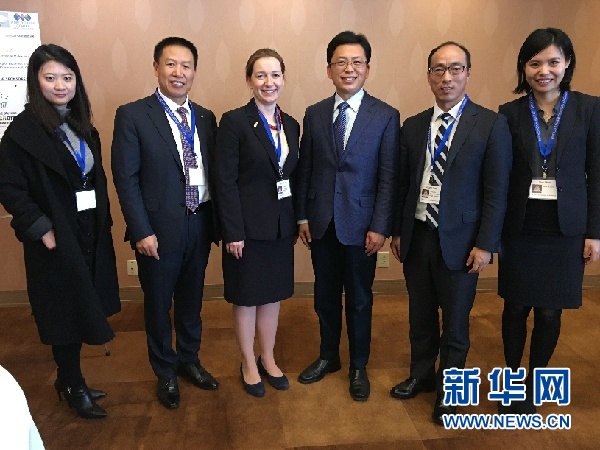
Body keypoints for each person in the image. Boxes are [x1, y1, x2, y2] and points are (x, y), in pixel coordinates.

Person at [389, 41, 512, 425]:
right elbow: (403, 185)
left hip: (462, 241)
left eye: (455, 68)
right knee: (420, 315)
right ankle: (422, 374)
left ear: (468, 74)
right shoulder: (413, 126)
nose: (447, 77)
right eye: (439, 69)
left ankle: (451, 391)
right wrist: (398, 231)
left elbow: (496, 191)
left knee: (456, 323)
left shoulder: (490, 124)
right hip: (418, 235)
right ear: (429, 76)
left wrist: (486, 244)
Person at [0, 44, 121, 419]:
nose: (60, 85)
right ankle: (72, 384)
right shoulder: (22, 133)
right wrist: (41, 228)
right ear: (35, 81)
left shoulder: (83, 126)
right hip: (54, 238)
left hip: (87, 231)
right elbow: (9, 187)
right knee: (63, 314)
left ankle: (69, 379)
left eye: (67, 77)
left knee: (83, 305)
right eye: (50, 77)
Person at [111, 37, 219, 410]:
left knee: (192, 300)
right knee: (158, 305)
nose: (178, 72)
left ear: (194, 71)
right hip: (157, 230)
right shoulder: (133, 115)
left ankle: (189, 359)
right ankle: (165, 372)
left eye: (186, 65)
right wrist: (141, 230)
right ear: (156, 67)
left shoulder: (205, 117)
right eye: (171, 64)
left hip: (199, 222)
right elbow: (125, 178)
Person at [498, 28, 600, 414]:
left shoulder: (589, 109)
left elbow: (597, 174)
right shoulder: (508, 113)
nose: (544, 71)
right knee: (515, 307)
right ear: (523, 68)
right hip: (521, 226)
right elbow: (500, 176)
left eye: (553, 62)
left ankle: (535, 380)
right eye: (535, 63)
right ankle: (512, 380)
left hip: (565, 229)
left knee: (549, 310)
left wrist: (595, 232)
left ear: (567, 63)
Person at [295, 31, 400, 402]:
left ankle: (358, 365)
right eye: (341, 62)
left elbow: (389, 176)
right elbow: (306, 169)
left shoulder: (385, 116)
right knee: (324, 296)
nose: (349, 68)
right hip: (322, 222)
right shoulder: (315, 113)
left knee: (358, 299)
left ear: (367, 69)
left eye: (357, 62)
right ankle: (328, 356)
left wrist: (381, 226)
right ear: (329, 69)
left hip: (362, 226)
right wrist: (302, 217)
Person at [213, 49, 299, 398]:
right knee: (247, 298)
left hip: (279, 227)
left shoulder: (291, 124)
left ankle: (268, 357)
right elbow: (225, 181)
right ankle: (248, 362)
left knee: (272, 297)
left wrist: (296, 222)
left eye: (275, 74)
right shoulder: (234, 122)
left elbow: (291, 176)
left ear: (283, 79)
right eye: (261, 75)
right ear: (249, 80)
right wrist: (232, 231)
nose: (269, 82)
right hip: (246, 231)